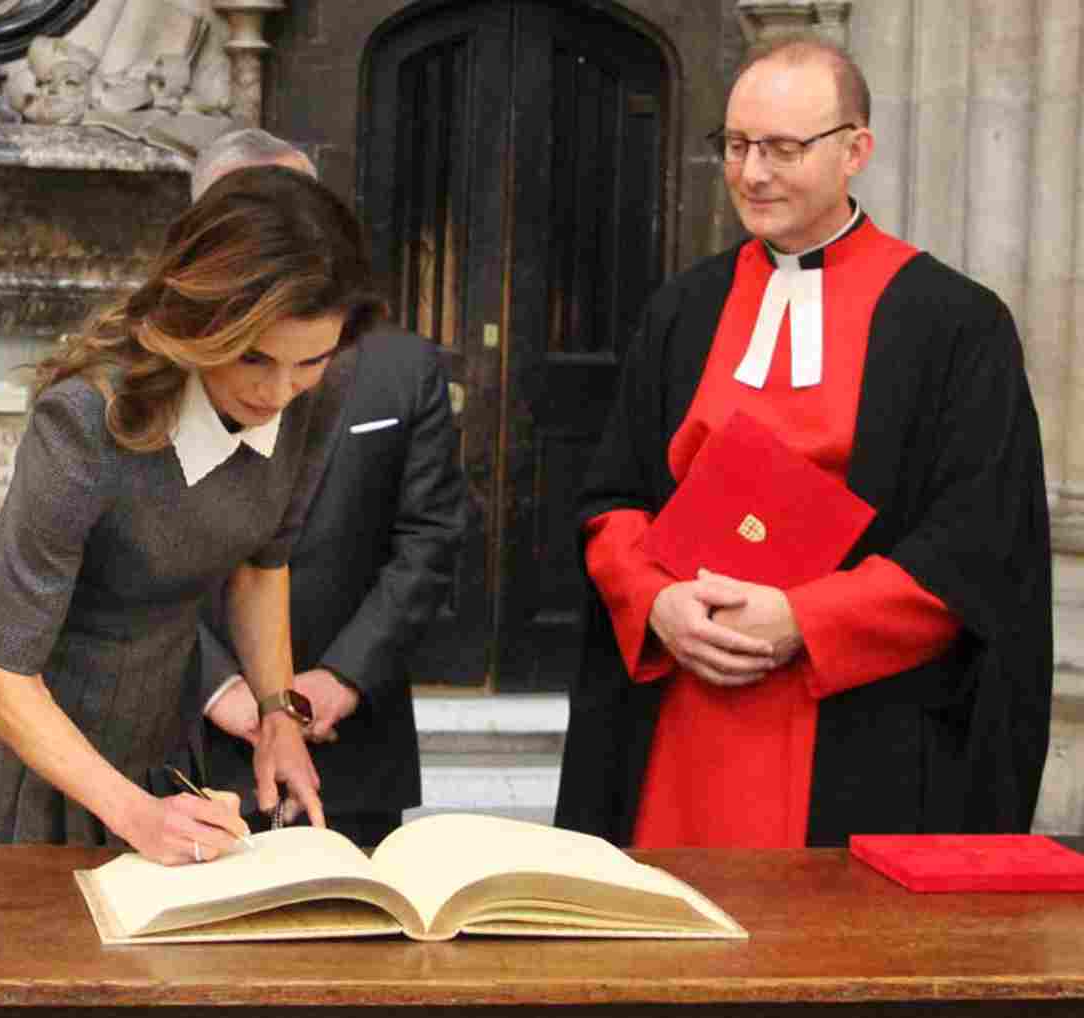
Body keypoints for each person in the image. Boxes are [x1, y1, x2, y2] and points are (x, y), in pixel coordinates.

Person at [554, 34, 1052, 848]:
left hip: (860, 724)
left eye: (783, 148)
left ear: (856, 150)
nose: (752, 173)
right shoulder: (683, 308)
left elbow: (977, 543)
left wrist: (805, 619)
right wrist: (657, 603)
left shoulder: (954, 323)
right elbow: (613, 498)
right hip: (679, 710)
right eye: (737, 145)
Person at [0, 165, 386, 864]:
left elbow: (263, 565)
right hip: (9, 774)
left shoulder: (317, 384)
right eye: (252, 358)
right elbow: (2, 683)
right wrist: (138, 817)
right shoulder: (86, 420)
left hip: (156, 756)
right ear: (200, 319)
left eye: (309, 362)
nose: (279, 391)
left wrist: (277, 717)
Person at [190, 129, 467, 848]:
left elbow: (430, 537)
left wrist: (343, 677)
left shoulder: (397, 369)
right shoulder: (150, 381)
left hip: (347, 744)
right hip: (181, 742)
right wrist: (217, 687)